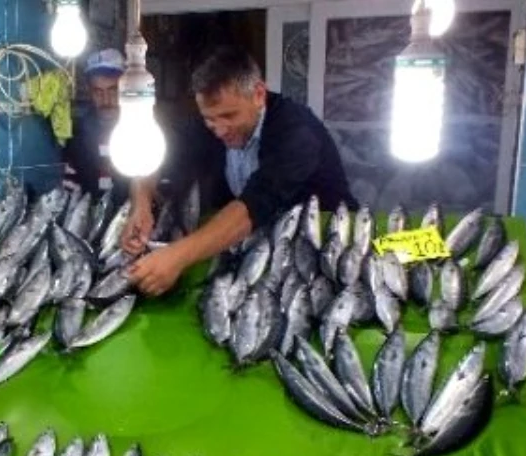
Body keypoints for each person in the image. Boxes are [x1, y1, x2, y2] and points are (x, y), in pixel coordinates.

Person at [122, 46, 357, 296]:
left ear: (258, 94)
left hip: (332, 243)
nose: (220, 129)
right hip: (263, 246)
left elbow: (254, 206)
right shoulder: (208, 124)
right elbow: (153, 155)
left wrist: (177, 256)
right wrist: (141, 205)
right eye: (209, 119)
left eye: (229, 116)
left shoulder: (296, 131)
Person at [63, 49, 130, 204]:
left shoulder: (144, 131)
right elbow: (69, 189)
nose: (106, 100)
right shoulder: (77, 136)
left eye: (113, 91)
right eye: (98, 92)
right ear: (89, 91)